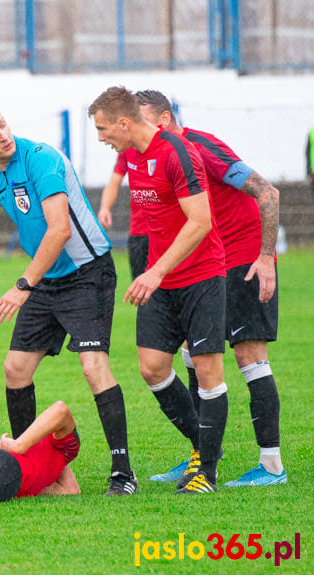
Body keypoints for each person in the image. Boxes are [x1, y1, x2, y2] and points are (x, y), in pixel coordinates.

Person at [0, 102, 138, 497]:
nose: (2, 135)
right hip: (46, 281)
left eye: (3, 125)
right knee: (15, 369)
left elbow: (58, 231)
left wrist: (22, 285)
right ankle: (35, 470)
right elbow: (32, 225)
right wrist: (32, 283)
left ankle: (123, 473)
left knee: (94, 368)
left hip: (87, 273)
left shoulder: (40, 158)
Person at [135, 89, 285, 487]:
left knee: (249, 357)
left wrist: (265, 258)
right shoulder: (159, 157)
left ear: (163, 120)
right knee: (192, 354)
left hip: (243, 261)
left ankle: (272, 466)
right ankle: (203, 456)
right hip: (209, 266)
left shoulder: (199, 148)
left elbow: (268, 192)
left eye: (141, 121)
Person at [89, 86, 228, 494]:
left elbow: (200, 221)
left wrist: (154, 272)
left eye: (102, 129)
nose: (100, 137)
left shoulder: (177, 153)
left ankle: (206, 472)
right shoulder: (130, 154)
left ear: (124, 123)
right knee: (151, 368)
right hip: (161, 279)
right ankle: (202, 448)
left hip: (201, 276)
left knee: (206, 370)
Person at [97, 152, 149, 280]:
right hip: (139, 233)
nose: (101, 139)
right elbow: (114, 182)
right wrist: (104, 208)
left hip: (167, 234)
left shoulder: (167, 145)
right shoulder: (127, 150)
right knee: (141, 291)